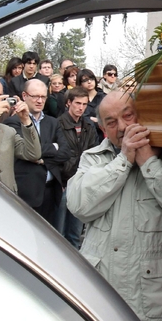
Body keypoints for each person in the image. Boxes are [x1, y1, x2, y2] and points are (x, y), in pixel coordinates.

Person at [67, 91, 162, 321]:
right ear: (101, 128)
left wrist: (149, 164)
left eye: (128, 115)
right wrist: (123, 161)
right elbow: (79, 205)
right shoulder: (94, 158)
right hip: (101, 297)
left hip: (155, 301)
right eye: (111, 122)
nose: (122, 127)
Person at [5, 80, 70, 224]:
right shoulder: (13, 122)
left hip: (51, 193)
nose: (40, 101)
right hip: (26, 193)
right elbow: (26, 151)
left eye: (43, 97)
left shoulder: (53, 122)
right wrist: (53, 147)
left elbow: (65, 151)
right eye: (35, 96)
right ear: (24, 95)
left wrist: (40, 157)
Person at [55, 87, 99, 248]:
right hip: (63, 182)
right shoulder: (57, 124)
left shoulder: (88, 126)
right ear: (68, 103)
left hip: (82, 182)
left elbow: (94, 151)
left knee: (76, 233)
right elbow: (55, 155)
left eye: (85, 104)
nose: (81, 107)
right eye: (78, 103)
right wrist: (59, 181)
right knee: (58, 232)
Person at [78, 68, 106, 142]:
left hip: (102, 136)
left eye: (91, 78)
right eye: (85, 80)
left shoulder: (104, 97)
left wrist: (99, 121)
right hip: (83, 137)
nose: (89, 82)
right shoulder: (77, 98)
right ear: (80, 84)